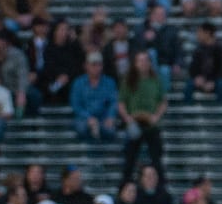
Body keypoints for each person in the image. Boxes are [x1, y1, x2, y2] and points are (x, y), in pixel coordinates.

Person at [117, 49, 167, 185]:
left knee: (157, 160)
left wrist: (156, 116)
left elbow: (162, 101)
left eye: (146, 60)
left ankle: (160, 189)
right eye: (140, 60)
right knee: (129, 161)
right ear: (135, 63)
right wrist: (127, 118)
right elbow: (121, 102)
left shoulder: (155, 80)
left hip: (151, 124)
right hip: (135, 123)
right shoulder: (128, 80)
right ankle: (124, 188)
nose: (143, 63)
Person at [69, 52, 118, 143]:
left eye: (99, 65)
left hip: (103, 118)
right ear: (86, 66)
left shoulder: (110, 82)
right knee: (82, 129)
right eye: (93, 65)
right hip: (84, 119)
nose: (96, 68)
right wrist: (88, 118)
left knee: (110, 130)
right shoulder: (78, 83)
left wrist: (110, 116)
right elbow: (76, 105)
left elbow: (113, 102)